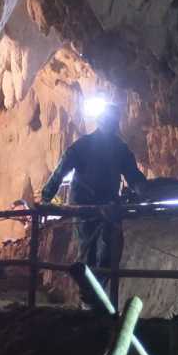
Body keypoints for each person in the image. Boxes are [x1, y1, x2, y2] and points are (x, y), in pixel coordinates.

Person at [40, 118, 147, 307]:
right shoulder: (87, 145)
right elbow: (63, 166)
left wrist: (142, 190)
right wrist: (47, 194)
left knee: (107, 252)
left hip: (105, 207)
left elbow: (132, 174)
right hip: (85, 207)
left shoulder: (117, 148)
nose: (113, 126)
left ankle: (94, 297)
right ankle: (89, 299)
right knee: (88, 251)